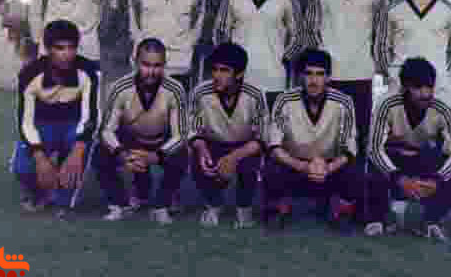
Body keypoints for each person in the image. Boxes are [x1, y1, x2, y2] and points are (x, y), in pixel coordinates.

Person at [262, 49, 373, 234]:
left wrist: (328, 168)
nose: (314, 80)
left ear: (328, 78)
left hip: (329, 168)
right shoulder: (284, 100)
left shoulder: (343, 101)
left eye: (320, 74)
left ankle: (341, 210)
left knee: (355, 170)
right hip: (295, 165)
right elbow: (274, 145)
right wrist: (302, 166)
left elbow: (350, 147)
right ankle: (279, 209)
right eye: (309, 74)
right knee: (272, 167)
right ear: (300, 77)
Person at [305, 0, 387, 156]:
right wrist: (317, 66)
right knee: (325, 137)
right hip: (328, 75)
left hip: (361, 73)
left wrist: (380, 66)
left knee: (358, 138)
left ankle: (355, 179)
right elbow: (310, 29)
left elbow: (381, 32)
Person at [365, 58, 451, 241]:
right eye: (418, 88)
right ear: (405, 87)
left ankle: (432, 221)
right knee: (375, 163)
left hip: (424, 158)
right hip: (395, 157)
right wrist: (398, 178)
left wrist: (438, 179)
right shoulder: (386, 103)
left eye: (429, 87)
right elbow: (374, 148)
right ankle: (378, 219)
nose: (425, 93)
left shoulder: (444, 107)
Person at [11, 20, 100, 220]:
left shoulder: (89, 71)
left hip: (73, 127)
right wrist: (40, 157)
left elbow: (90, 115)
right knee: (22, 167)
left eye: (71, 48)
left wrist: (78, 150)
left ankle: (63, 199)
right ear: (48, 49)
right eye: (59, 48)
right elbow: (26, 122)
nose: (66, 54)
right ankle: (38, 193)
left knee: (80, 153)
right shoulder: (29, 73)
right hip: (42, 126)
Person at [98, 38, 189, 224]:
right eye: (146, 65)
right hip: (131, 141)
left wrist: (157, 155)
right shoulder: (120, 87)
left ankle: (162, 205)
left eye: (157, 66)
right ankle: (118, 204)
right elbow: (106, 130)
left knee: (181, 154)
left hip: (160, 141)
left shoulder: (175, 89)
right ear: (135, 62)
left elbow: (180, 135)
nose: (151, 71)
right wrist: (122, 154)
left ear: (164, 65)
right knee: (100, 153)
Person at [214, 0, 305, 110]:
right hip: (238, 84)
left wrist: (284, 59)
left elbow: (299, 37)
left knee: (271, 127)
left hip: (273, 82)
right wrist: (229, 65)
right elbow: (220, 33)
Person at [189, 42, 268, 229]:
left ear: (239, 74)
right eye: (215, 69)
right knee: (197, 160)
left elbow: (262, 137)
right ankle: (213, 204)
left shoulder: (255, 95)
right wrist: (202, 150)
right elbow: (193, 130)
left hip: (244, 147)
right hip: (213, 144)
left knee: (250, 164)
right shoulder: (200, 92)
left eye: (224, 70)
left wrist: (232, 158)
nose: (217, 75)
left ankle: (244, 209)